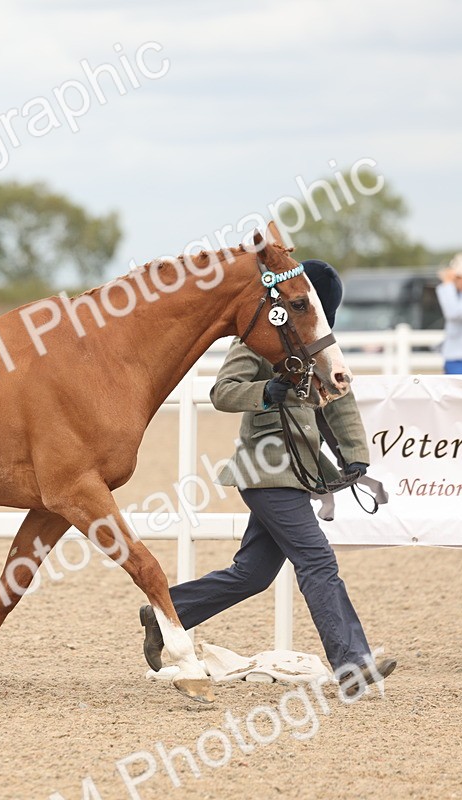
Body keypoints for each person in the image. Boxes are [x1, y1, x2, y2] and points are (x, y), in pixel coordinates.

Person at [139, 259, 396, 692]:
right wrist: (265, 392)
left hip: (296, 472)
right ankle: (352, 664)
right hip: (265, 471)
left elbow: (338, 396)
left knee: (252, 575)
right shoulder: (260, 339)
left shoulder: (315, 343)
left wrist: (355, 455)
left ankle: (167, 613)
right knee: (317, 561)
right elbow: (222, 392)